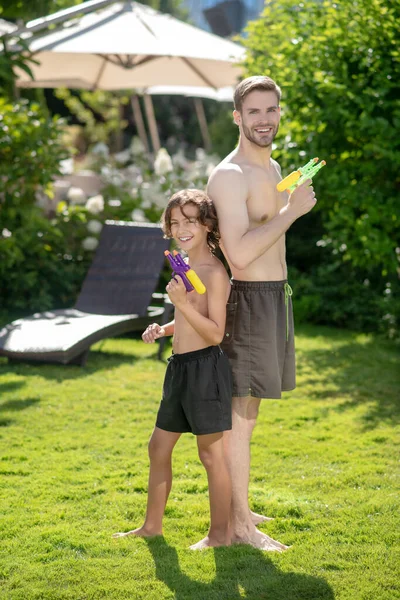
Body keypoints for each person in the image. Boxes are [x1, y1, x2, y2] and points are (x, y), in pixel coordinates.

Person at [207, 75, 318, 551]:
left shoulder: (273, 167)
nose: (264, 119)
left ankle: (240, 507)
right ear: (237, 116)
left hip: (274, 296)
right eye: (254, 111)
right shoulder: (229, 176)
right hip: (248, 300)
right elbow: (239, 255)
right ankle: (239, 529)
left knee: (248, 413)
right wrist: (292, 212)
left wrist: (287, 203)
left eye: (271, 110)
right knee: (238, 416)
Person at [113, 189, 233, 550]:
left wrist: (180, 302)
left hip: (205, 371)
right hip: (179, 368)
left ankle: (219, 536)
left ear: (207, 225)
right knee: (158, 447)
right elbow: (189, 320)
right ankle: (152, 527)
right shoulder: (184, 263)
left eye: (191, 222)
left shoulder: (214, 273)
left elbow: (214, 334)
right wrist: (164, 328)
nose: (181, 228)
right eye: (175, 222)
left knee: (211, 455)